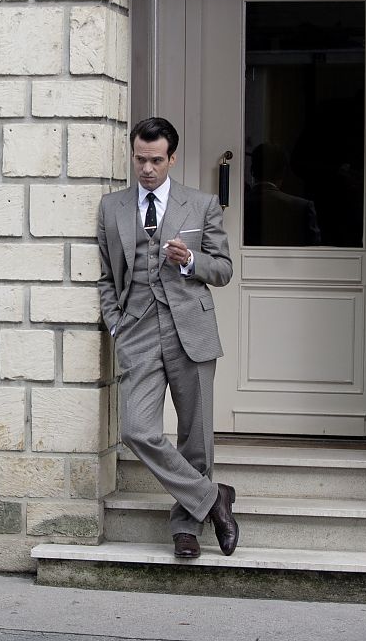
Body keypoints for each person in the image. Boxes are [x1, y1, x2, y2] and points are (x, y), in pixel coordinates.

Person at [96, 117, 239, 559]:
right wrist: (115, 322)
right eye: (140, 159)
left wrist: (191, 259)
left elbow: (223, 269)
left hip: (190, 329)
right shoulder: (111, 207)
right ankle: (213, 498)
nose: (147, 169)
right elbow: (105, 275)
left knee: (195, 436)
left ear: (171, 158)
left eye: (156, 160)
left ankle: (186, 529)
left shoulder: (201, 204)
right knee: (138, 430)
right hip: (137, 329)